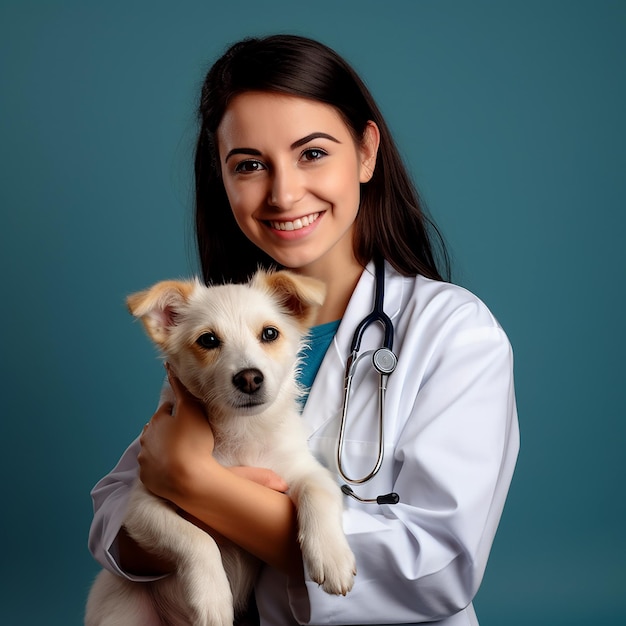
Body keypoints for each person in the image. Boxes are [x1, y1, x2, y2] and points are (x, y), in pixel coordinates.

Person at [88, 34, 519, 625]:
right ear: (221, 177)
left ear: (367, 153)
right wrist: (176, 501)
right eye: (249, 164)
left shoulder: (454, 332)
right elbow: (114, 518)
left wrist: (199, 485)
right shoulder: (214, 330)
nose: (285, 192)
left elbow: (438, 567)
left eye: (312, 153)